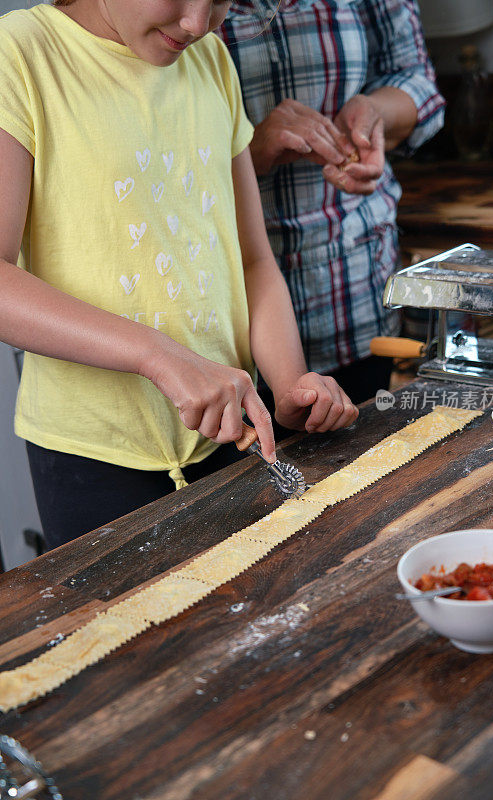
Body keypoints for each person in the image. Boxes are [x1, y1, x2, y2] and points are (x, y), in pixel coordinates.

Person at [0, 0, 358, 551]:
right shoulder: (20, 53)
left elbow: (253, 259)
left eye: (220, 1)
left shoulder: (212, 59)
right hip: (94, 458)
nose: (197, 22)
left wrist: (289, 383)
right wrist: (159, 355)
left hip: (232, 436)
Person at [219, 0, 445, 416]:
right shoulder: (193, 31)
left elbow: (418, 83)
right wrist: (245, 153)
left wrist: (373, 112)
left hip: (353, 290)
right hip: (229, 321)